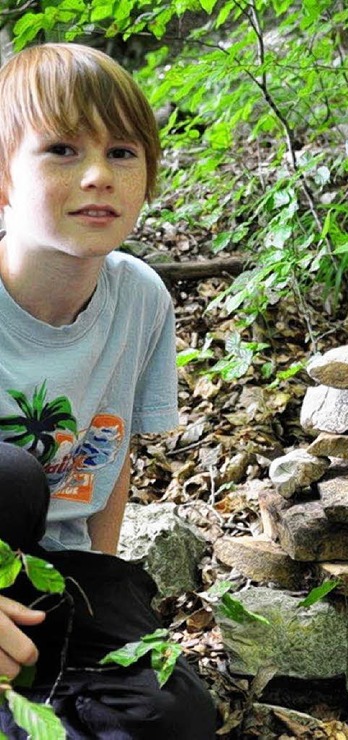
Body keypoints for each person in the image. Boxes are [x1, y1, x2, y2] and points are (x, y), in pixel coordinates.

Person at [0, 43, 217, 737]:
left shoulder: (140, 297)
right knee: (13, 476)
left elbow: (108, 446)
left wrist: (105, 578)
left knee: (174, 714)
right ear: (3, 178)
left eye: (122, 152)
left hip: (62, 567)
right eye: (62, 149)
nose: (98, 175)